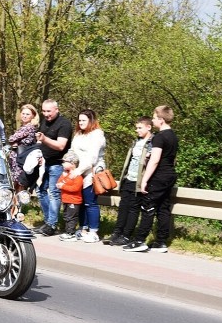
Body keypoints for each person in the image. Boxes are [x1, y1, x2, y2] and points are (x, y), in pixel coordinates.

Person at [124, 106, 178, 253]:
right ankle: (161, 242)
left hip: (159, 176)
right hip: (170, 175)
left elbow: (155, 160)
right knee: (163, 208)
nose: (153, 120)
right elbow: (169, 157)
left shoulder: (160, 137)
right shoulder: (173, 135)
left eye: (154, 118)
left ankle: (140, 240)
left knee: (147, 206)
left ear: (161, 120)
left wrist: (145, 180)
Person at [105, 116, 153, 246]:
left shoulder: (152, 142)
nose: (137, 130)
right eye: (136, 128)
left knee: (133, 209)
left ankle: (126, 235)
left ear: (148, 127)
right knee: (123, 207)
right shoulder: (136, 141)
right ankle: (117, 233)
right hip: (128, 178)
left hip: (139, 181)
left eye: (140, 128)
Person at [34, 99, 73, 236]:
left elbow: (61, 145)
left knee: (54, 194)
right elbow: (40, 141)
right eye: (43, 111)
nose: (46, 114)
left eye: (48, 111)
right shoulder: (44, 122)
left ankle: (52, 224)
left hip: (57, 163)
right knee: (40, 191)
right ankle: (47, 222)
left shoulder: (64, 124)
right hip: (43, 163)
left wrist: (44, 139)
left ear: (56, 109)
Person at [68, 109, 107, 243]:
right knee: (81, 202)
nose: (81, 123)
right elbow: (72, 151)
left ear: (91, 121)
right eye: (80, 120)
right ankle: (83, 228)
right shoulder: (78, 134)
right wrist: (68, 165)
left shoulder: (97, 135)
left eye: (84, 120)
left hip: (91, 172)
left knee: (90, 202)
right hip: (76, 171)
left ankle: (94, 231)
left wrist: (78, 171)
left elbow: (92, 158)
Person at [8, 103, 40, 190]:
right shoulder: (24, 127)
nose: (24, 116)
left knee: (18, 186)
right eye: (23, 113)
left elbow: (11, 139)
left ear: (33, 116)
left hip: (20, 160)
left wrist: (14, 142)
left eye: (28, 114)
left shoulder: (28, 128)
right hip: (17, 160)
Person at [56, 151, 84, 241]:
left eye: (65, 162)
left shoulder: (77, 176)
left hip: (73, 201)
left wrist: (63, 186)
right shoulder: (66, 175)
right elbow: (59, 182)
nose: (63, 164)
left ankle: (71, 233)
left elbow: (76, 188)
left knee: (72, 217)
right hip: (66, 200)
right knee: (66, 216)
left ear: (72, 164)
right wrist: (62, 177)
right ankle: (68, 231)